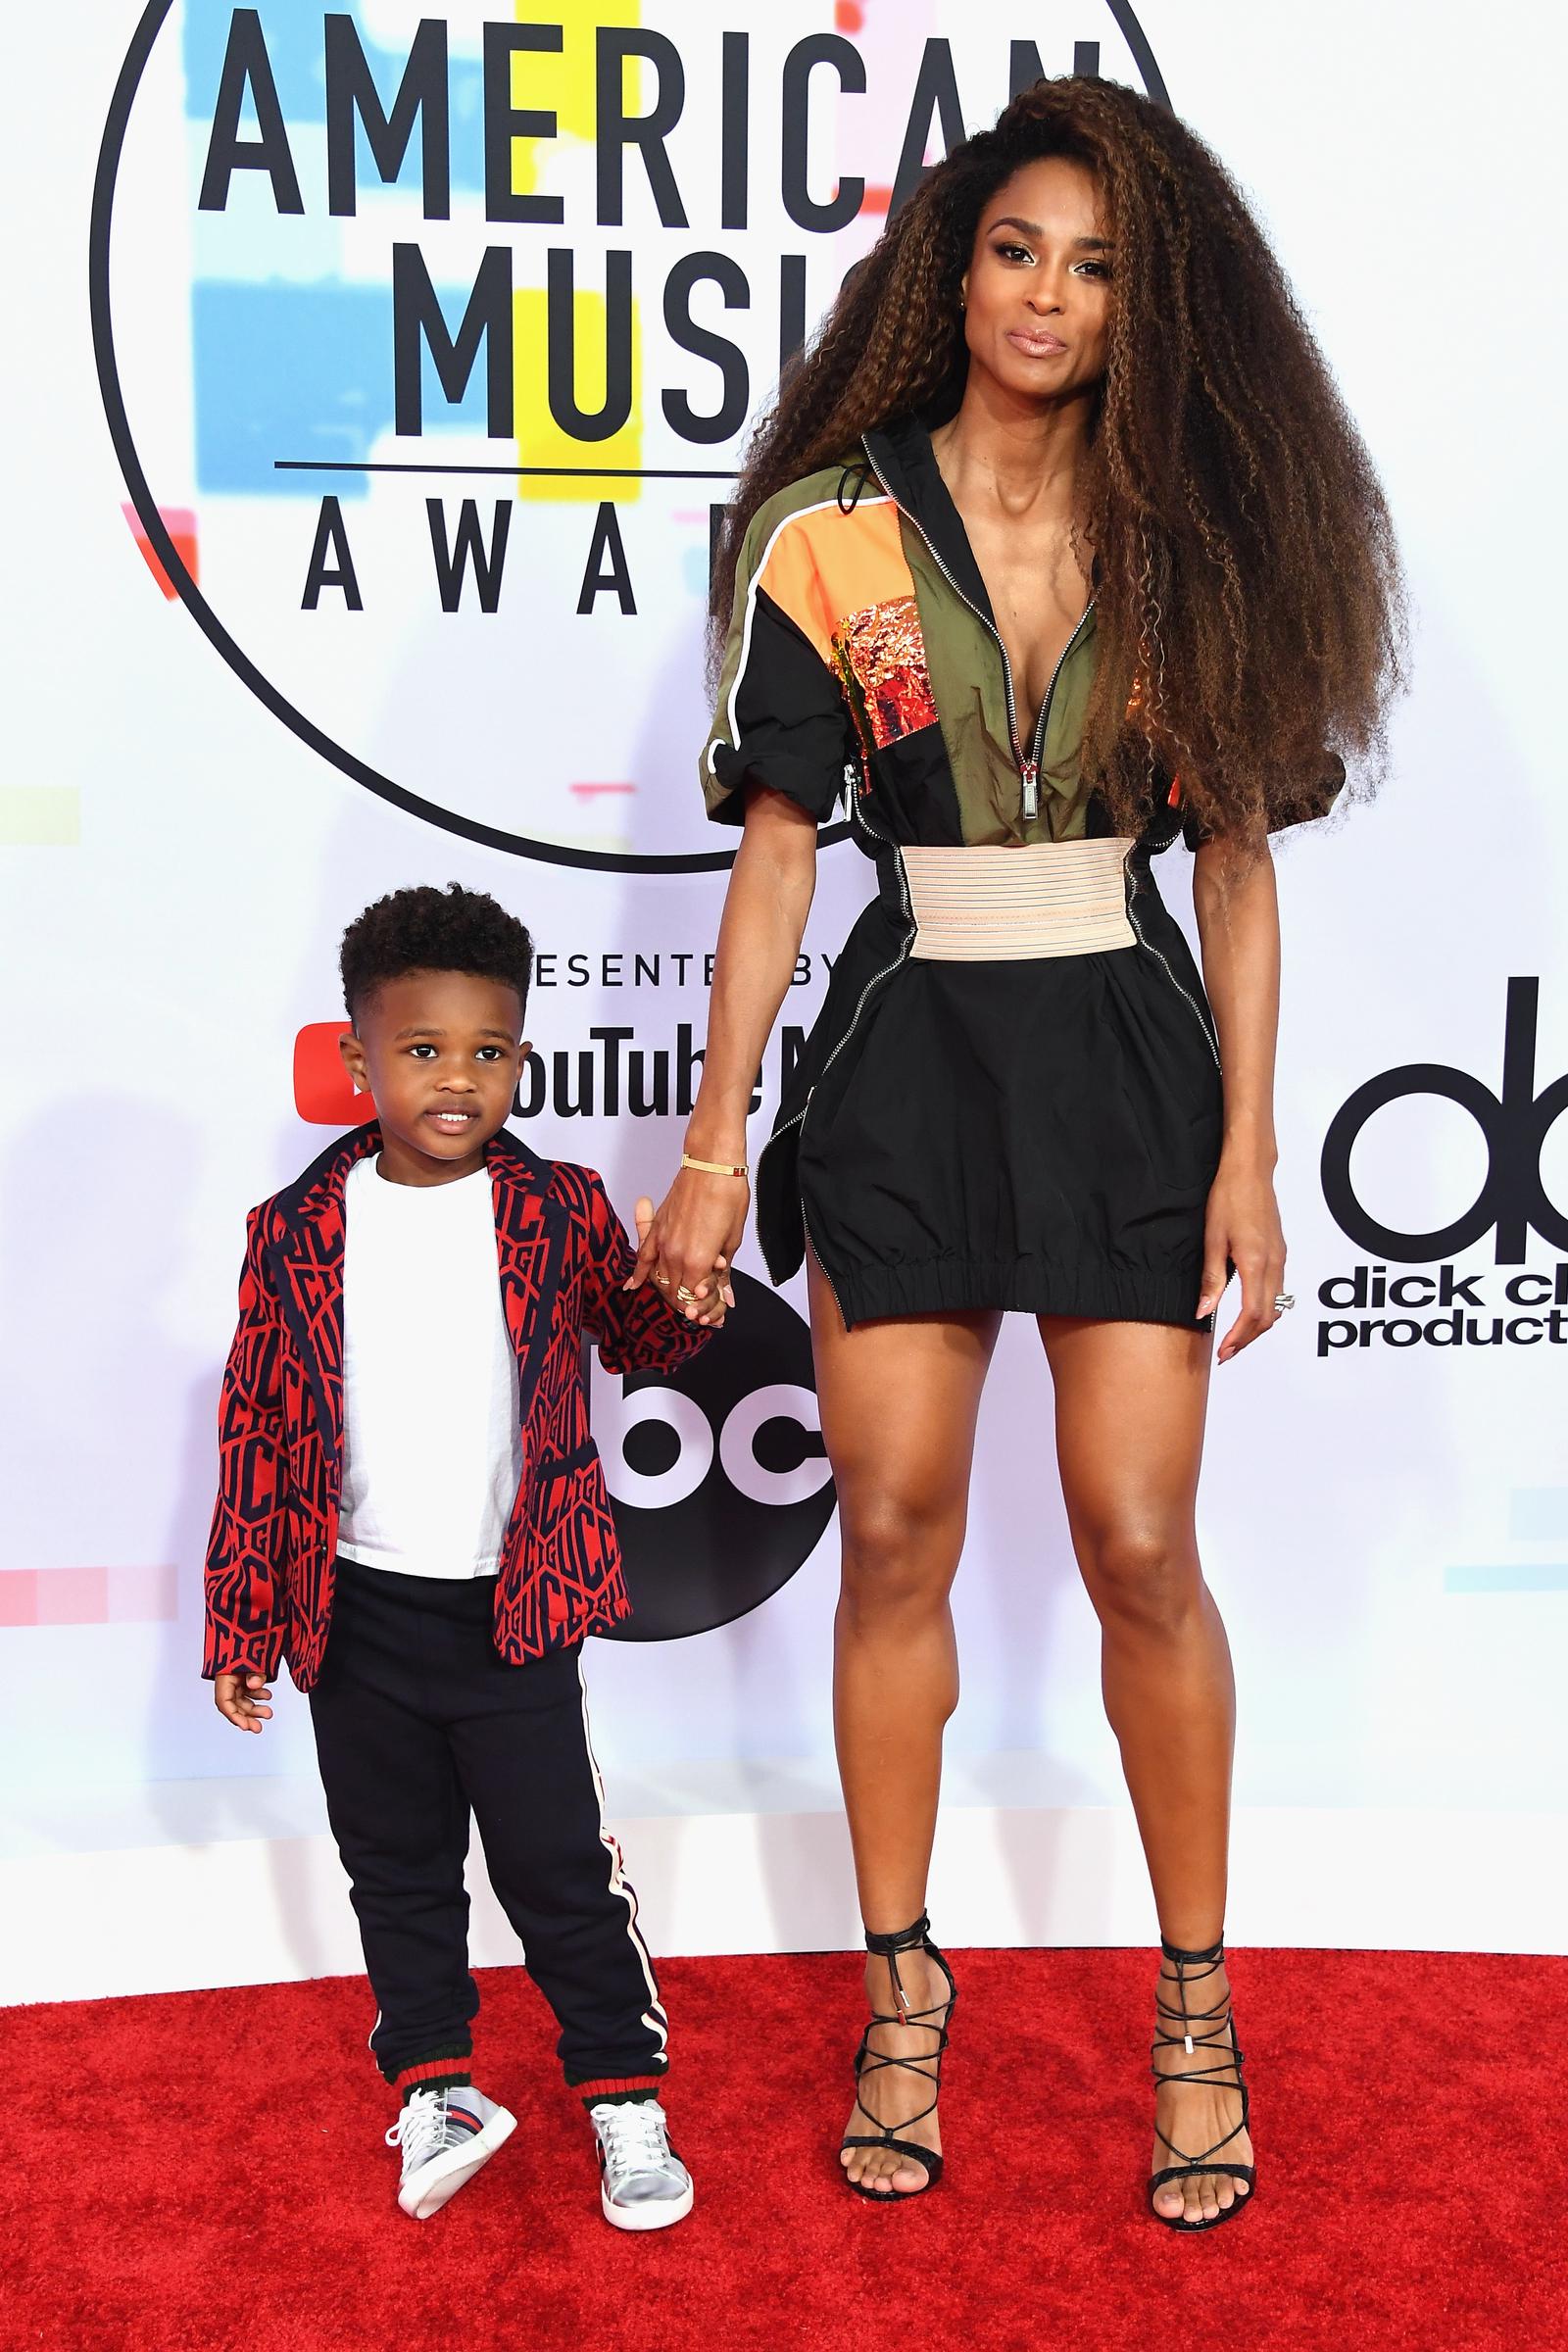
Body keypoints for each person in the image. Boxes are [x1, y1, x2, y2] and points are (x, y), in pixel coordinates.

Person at [634, 76, 1401, 2230]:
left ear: (1151, 307)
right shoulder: (826, 527)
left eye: (1092, 265)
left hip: (1128, 1060)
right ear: (948, 268)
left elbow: (1236, 867)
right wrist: (709, 1152)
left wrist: (1252, 1151)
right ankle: (902, 1991)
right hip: (900, 1056)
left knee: (1138, 1541)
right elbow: (776, 858)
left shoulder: (1195, 534)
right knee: (887, 1528)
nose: (1045, 295)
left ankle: (1188, 2005)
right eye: (1012, 250)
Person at [203, 884, 727, 2230]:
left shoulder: (555, 1208)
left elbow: (634, 1339)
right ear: (358, 1060)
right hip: (355, 1617)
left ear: (520, 1062)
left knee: (556, 1870)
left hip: (515, 1613)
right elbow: (258, 1430)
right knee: (396, 1867)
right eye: (422, 1049)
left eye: (486, 1052)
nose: (456, 1078)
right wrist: (242, 1622)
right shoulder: (293, 1232)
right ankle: (433, 2085)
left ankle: (624, 2098)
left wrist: (686, 1291)